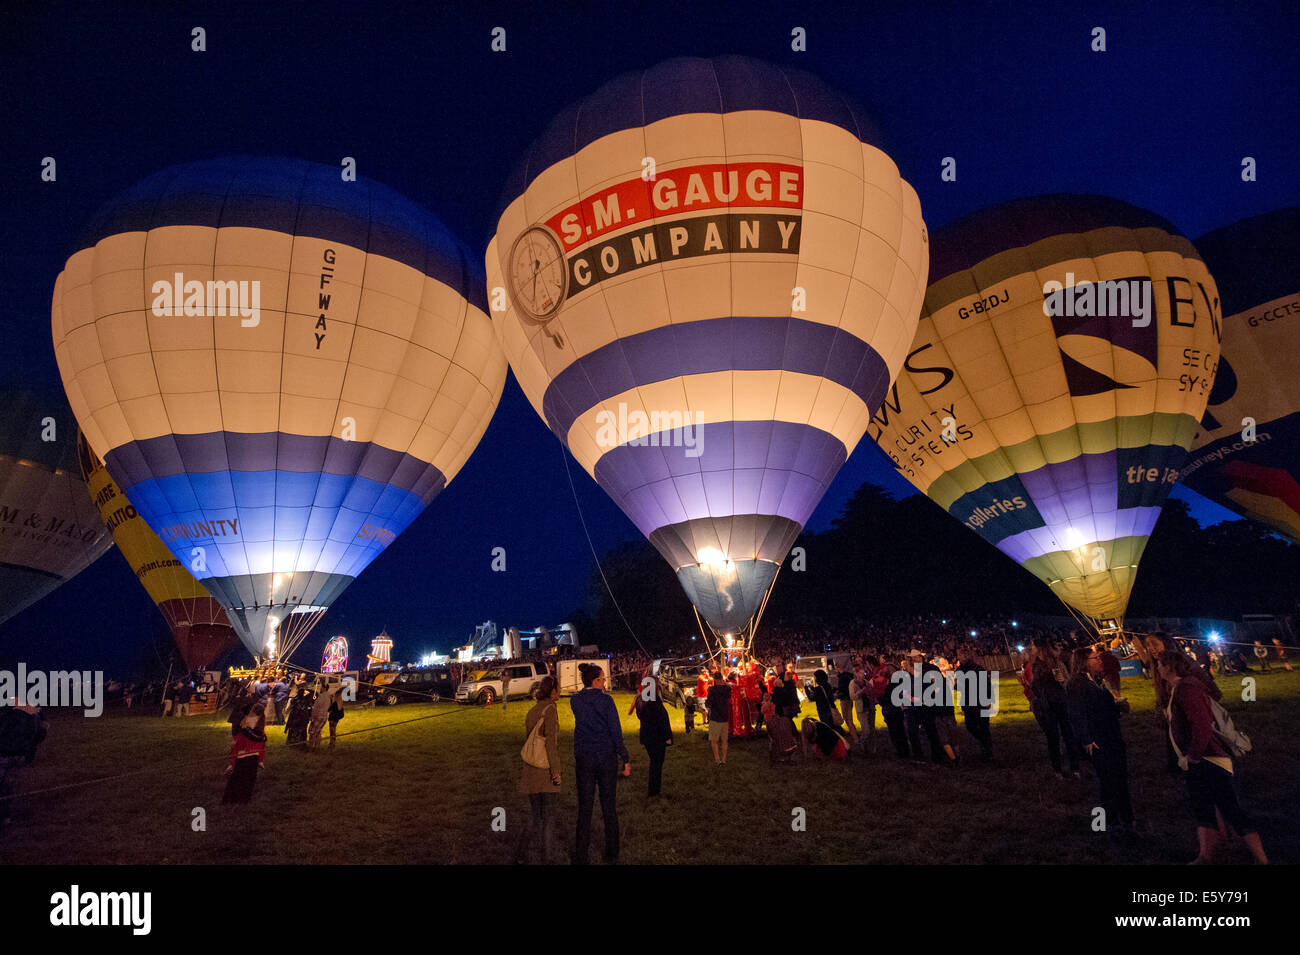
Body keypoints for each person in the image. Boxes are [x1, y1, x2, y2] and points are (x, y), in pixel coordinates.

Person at [1158, 650, 1268, 865]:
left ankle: (1260, 858)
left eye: (1161, 664)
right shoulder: (1179, 688)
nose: (1158, 668)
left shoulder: (1186, 690)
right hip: (1199, 759)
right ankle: (1206, 855)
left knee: (1231, 809)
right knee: (1203, 807)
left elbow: (1201, 726)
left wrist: (1194, 756)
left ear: (1170, 666)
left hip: (1208, 760)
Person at [1066, 647, 1136, 846]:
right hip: (1098, 741)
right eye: (1094, 657)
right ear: (1083, 661)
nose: (1099, 660)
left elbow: (1103, 708)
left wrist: (1118, 707)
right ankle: (1106, 824)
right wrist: (1086, 739)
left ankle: (1127, 820)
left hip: (1112, 737)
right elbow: (1077, 714)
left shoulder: (1096, 681)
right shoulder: (1077, 684)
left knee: (1120, 779)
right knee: (1107, 783)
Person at [570, 663, 629, 864]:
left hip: (585, 757)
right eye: (602, 679)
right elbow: (615, 731)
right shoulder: (606, 701)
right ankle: (612, 853)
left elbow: (581, 694)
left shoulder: (575, 700)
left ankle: (581, 855)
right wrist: (624, 757)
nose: (605, 682)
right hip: (606, 758)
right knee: (608, 807)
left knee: (585, 808)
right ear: (595, 681)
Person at [515, 676, 562, 864]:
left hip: (530, 770)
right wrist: (556, 772)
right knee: (549, 818)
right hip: (545, 771)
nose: (559, 691)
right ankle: (547, 858)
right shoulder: (550, 710)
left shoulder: (532, 710)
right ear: (552, 691)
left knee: (535, 817)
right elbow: (550, 744)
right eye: (557, 688)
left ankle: (520, 855)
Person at [1030, 640, 1082, 778]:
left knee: (1066, 735)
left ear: (1041, 648)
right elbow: (1035, 687)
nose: (1031, 648)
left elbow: (1067, 681)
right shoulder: (1036, 665)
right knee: (1054, 738)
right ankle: (1059, 769)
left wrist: (1061, 682)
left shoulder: (1056, 663)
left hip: (1058, 703)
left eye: (1033, 646)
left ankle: (1073, 767)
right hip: (1048, 705)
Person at [635, 677, 673, 797]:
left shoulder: (641, 699)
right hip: (656, 737)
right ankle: (654, 790)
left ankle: (654, 789)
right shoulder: (654, 700)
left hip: (647, 736)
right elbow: (661, 720)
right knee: (657, 763)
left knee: (654, 763)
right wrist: (667, 736)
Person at [223, 706, 266, 804]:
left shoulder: (244, 732)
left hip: (242, 759)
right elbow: (262, 748)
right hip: (254, 759)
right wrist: (260, 761)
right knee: (248, 782)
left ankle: (232, 802)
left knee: (236, 782)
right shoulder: (261, 733)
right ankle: (244, 801)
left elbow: (236, 748)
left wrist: (231, 764)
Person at [955, 650, 993, 761]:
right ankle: (984, 742)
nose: (960, 658)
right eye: (960, 655)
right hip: (968, 702)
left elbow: (987, 684)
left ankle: (988, 750)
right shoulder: (960, 670)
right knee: (970, 726)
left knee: (984, 726)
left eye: (962, 655)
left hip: (981, 701)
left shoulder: (978, 669)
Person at [706, 669, 732, 764]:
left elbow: (709, 702)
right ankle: (724, 759)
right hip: (725, 717)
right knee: (724, 740)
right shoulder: (727, 688)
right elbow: (728, 697)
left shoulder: (712, 690)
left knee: (714, 740)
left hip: (715, 717)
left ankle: (717, 759)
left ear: (714, 679)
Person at [835, 665, 860, 747]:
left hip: (845, 700)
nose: (836, 670)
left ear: (839, 668)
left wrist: (837, 694)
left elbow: (842, 689)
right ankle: (855, 734)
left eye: (836, 668)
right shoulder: (848, 676)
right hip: (848, 699)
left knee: (848, 720)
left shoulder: (843, 678)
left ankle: (855, 738)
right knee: (848, 719)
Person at [285, 681, 315, 747]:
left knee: (295, 730)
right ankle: (300, 743)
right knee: (300, 730)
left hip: (296, 718)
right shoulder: (303, 700)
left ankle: (293, 742)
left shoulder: (296, 699)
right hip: (300, 719)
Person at [307, 680, 331, 752]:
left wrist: (312, 717)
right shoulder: (328, 697)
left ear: (324, 688)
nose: (320, 689)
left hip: (318, 716)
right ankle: (317, 746)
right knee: (318, 732)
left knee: (312, 732)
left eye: (321, 687)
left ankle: (312, 747)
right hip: (324, 716)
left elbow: (316, 708)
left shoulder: (321, 697)